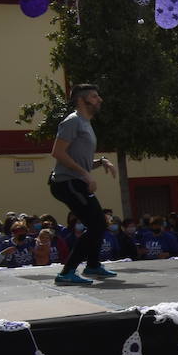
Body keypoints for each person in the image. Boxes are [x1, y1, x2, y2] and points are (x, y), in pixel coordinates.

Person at [47, 84, 118, 285]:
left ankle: (93, 265)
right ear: (81, 100)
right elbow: (58, 153)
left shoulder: (86, 123)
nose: (100, 99)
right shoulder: (72, 121)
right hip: (66, 183)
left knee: (99, 223)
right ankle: (66, 272)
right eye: (95, 96)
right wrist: (86, 175)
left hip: (76, 180)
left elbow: (78, 160)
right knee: (96, 224)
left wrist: (100, 162)